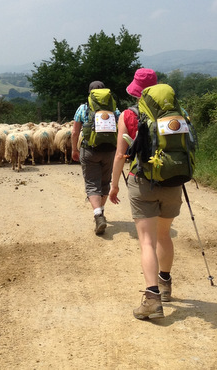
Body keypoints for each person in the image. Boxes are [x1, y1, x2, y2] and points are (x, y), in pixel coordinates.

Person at [108, 68, 181, 320]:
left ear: (136, 91)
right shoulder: (176, 115)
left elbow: (120, 154)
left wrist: (114, 184)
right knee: (164, 236)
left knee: (147, 242)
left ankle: (152, 300)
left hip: (142, 182)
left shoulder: (128, 115)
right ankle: (166, 284)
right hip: (172, 182)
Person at [72, 81, 120, 235]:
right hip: (109, 151)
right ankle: (101, 211)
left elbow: (74, 132)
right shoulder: (114, 109)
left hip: (89, 149)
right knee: (105, 182)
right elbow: (121, 129)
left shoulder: (83, 108)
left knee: (92, 183)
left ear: (90, 93)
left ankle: (98, 215)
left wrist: (74, 149)